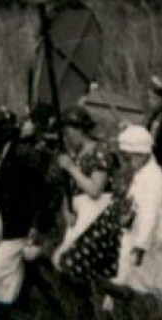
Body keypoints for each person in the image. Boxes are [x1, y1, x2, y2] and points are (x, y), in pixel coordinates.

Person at [0, 108, 53, 314]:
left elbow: (43, 194)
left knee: (2, 278)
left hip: (20, 230)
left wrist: (37, 226)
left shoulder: (23, 158)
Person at [110, 125, 162, 305]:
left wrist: (140, 246)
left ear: (141, 154)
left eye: (128, 158)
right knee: (130, 286)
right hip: (139, 241)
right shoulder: (141, 174)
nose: (126, 163)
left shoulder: (153, 178)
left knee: (148, 293)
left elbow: (149, 217)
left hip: (154, 245)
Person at [50, 107, 118, 266]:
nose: (67, 139)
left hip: (97, 213)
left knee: (71, 261)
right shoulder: (75, 154)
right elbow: (70, 188)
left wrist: (71, 168)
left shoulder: (99, 151)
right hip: (79, 214)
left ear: (79, 130)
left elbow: (95, 190)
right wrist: (66, 209)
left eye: (68, 133)